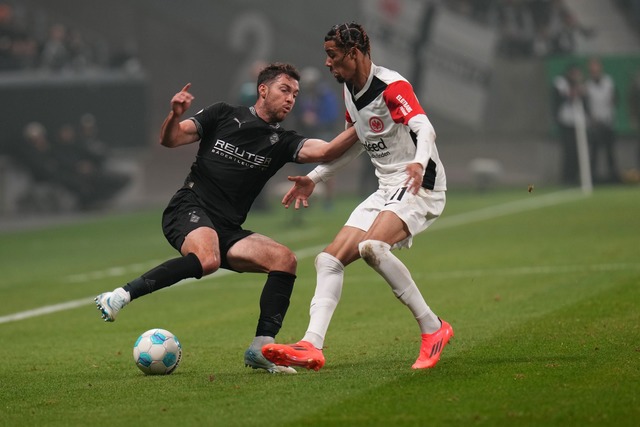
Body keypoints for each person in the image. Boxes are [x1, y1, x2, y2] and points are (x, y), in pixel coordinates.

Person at [94, 62, 358, 374]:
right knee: (207, 259)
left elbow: (327, 151)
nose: (291, 99)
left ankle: (260, 348)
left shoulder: (283, 141)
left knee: (284, 260)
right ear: (263, 89)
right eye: (284, 90)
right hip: (190, 206)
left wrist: (365, 123)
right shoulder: (222, 114)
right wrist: (175, 114)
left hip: (228, 228)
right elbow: (171, 139)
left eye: (295, 94)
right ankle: (119, 296)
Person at [261, 22, 452, 371]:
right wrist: (315, 177)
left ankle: (434, 328)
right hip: (387, 187)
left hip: (418, 184)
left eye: (333, 56)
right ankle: (311, 345)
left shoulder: (392, 87)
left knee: (372, 248)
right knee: (328, 260)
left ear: (354, 53)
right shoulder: (350, 89)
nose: (328, 63)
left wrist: (418, 163)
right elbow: (358, 141)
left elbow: (425, 128)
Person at [584, 57, 619, 184]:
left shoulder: (608, 82)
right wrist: (591, 118)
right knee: (594, 153)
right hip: (594, 124)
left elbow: (615, 99)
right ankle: (592, 178)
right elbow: (586, 105)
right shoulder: (587, 85)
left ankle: (614, 177)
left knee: (610, 152)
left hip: (608, 121)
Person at [551, 62, 587, 185]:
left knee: (579, 151)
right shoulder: (561, 83)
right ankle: (567, 177)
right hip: (565, 122)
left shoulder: (581, 85)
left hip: (578, 122)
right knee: (569, 151)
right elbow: (559, 98)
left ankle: (578, 176)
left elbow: (585, 101)